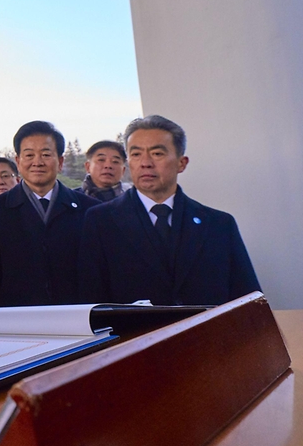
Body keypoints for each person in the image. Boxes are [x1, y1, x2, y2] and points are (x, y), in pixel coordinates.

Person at [79, 116, 261, 305]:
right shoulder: (101, 221)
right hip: (136, 334)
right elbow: (92, 301)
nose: (145, 163)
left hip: (208, 332)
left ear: (182, 163)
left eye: (157, 154)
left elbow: (248, 299)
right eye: (136, 154)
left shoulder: (219, 224)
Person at [0, 121, 100, 307]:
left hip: (78, 317)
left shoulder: (89, 209)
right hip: (18, 319)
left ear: (60, 162)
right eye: (29, 155)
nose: (37, 162)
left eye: (46, 154)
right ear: (18, 162)